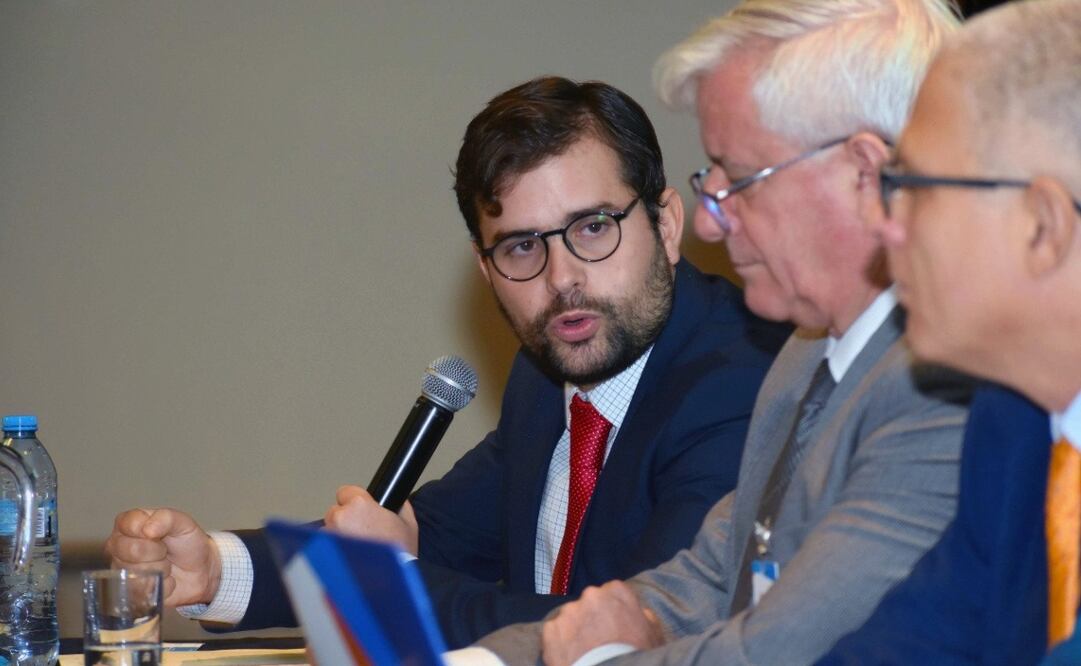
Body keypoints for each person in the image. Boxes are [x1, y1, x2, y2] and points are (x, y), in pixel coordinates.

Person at [105, 76, 789, 648]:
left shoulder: (742, 384)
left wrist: (390, 590)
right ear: (485, 270)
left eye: (591, 228)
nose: (561, 280)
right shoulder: (549, 372)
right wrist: (215, 571)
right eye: (521, 247)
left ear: (665, 226)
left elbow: (629, 633)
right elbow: (428, 534)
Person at [472, 2, 971, 665]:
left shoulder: (944, 389)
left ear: (861, 174)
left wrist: (592, 660)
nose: (709, 222)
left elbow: (779, 652)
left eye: (740, 180)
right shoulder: (803, 353)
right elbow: (705, 580)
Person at [819, 1, 1080, 663]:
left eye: (912, 186)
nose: (884, 226)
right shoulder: (1012, 420)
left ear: (1042, 226)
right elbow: (916, 642)